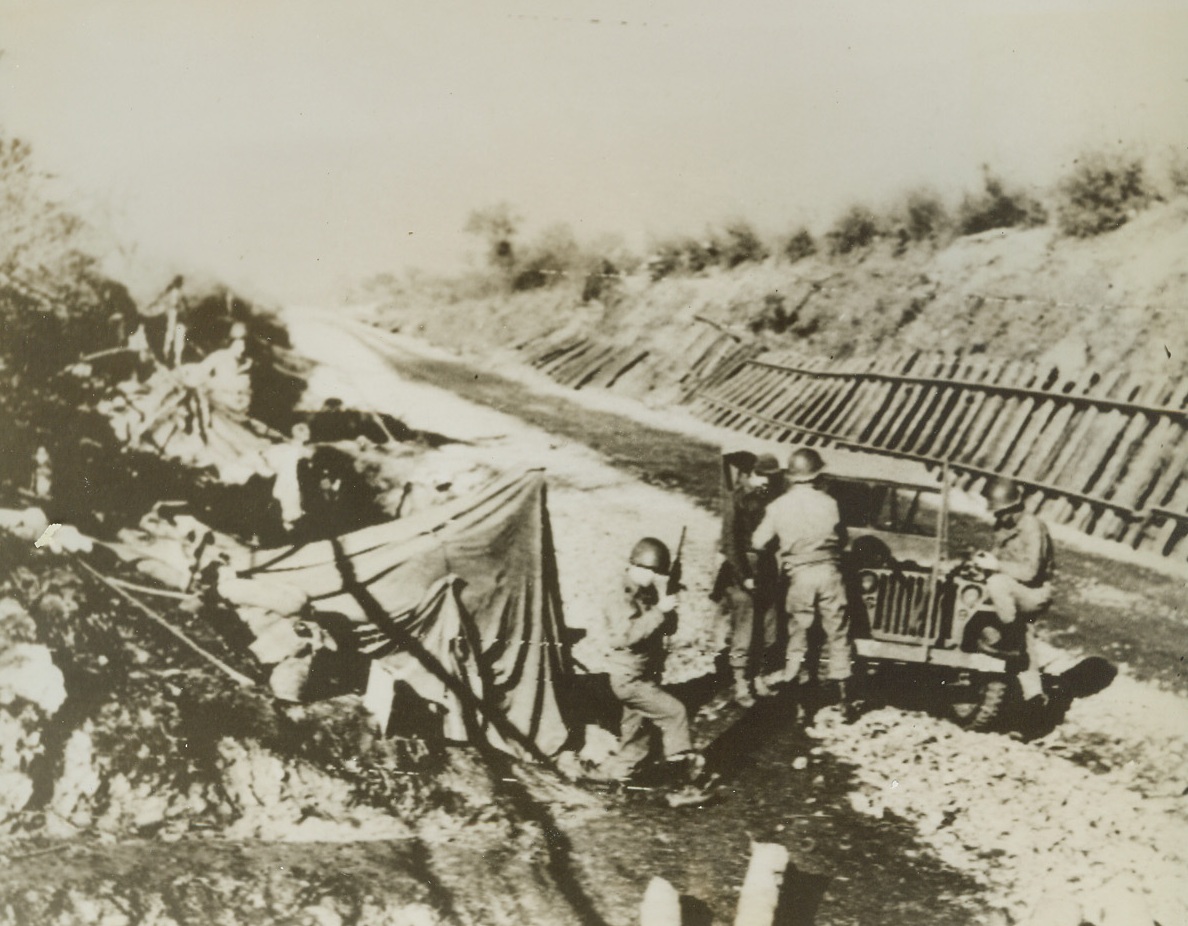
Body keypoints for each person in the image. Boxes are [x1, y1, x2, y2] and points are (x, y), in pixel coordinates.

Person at [750, 447, 860, 722]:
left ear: (792, 475)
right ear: (816, 475)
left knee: (798, 637)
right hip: (830, 573)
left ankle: (800, 707)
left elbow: (758, 542)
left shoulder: (778, 506)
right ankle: (845, 704)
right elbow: (843, 539)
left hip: (800, 575)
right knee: (838, 634)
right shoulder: (830, 503)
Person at [590, 537, 703, 784]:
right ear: (638, 566)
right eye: (653, 572)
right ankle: (682, 785)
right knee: (675, 713)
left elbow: (667, 630)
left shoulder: (646, 592)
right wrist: (659, 611)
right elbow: (623, 637)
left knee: (637, 730)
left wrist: (666, 598)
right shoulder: (619, 594)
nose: (654, 578)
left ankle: (615, 773)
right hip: (629, 678)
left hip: (641, 673)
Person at [973, 478, 1055, 705]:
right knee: (1024, 637)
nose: (997, 518)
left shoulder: (1032, 527)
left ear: (1012, 508)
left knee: (998, 584)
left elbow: (1031, 571)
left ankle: (1007, 639)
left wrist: (996, 567)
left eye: (1001, 512)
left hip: (1034, 593)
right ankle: (1034, 696)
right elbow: (997, 557)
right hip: (1015, 591)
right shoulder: (1005, 526)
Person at [714, 451, 781, 707]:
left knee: (770, 623)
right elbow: (730, 545)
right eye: (762, 476)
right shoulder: (736, 501)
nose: (766, 482)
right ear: (752, 475)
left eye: (770, 478)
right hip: (738, 573)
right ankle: (741, 682)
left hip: (764, 569)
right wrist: (745, 579)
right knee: (745, 617)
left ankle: (759, 676)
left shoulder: (770, 499)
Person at [262, 422, 313, 535]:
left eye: (307, 429)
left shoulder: (307, 450)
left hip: (302, 484)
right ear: (292, 432)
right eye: (301, 429)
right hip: (288, 483)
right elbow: (270, 464)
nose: (307, 431)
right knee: (289, 504)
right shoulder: (284, 449)